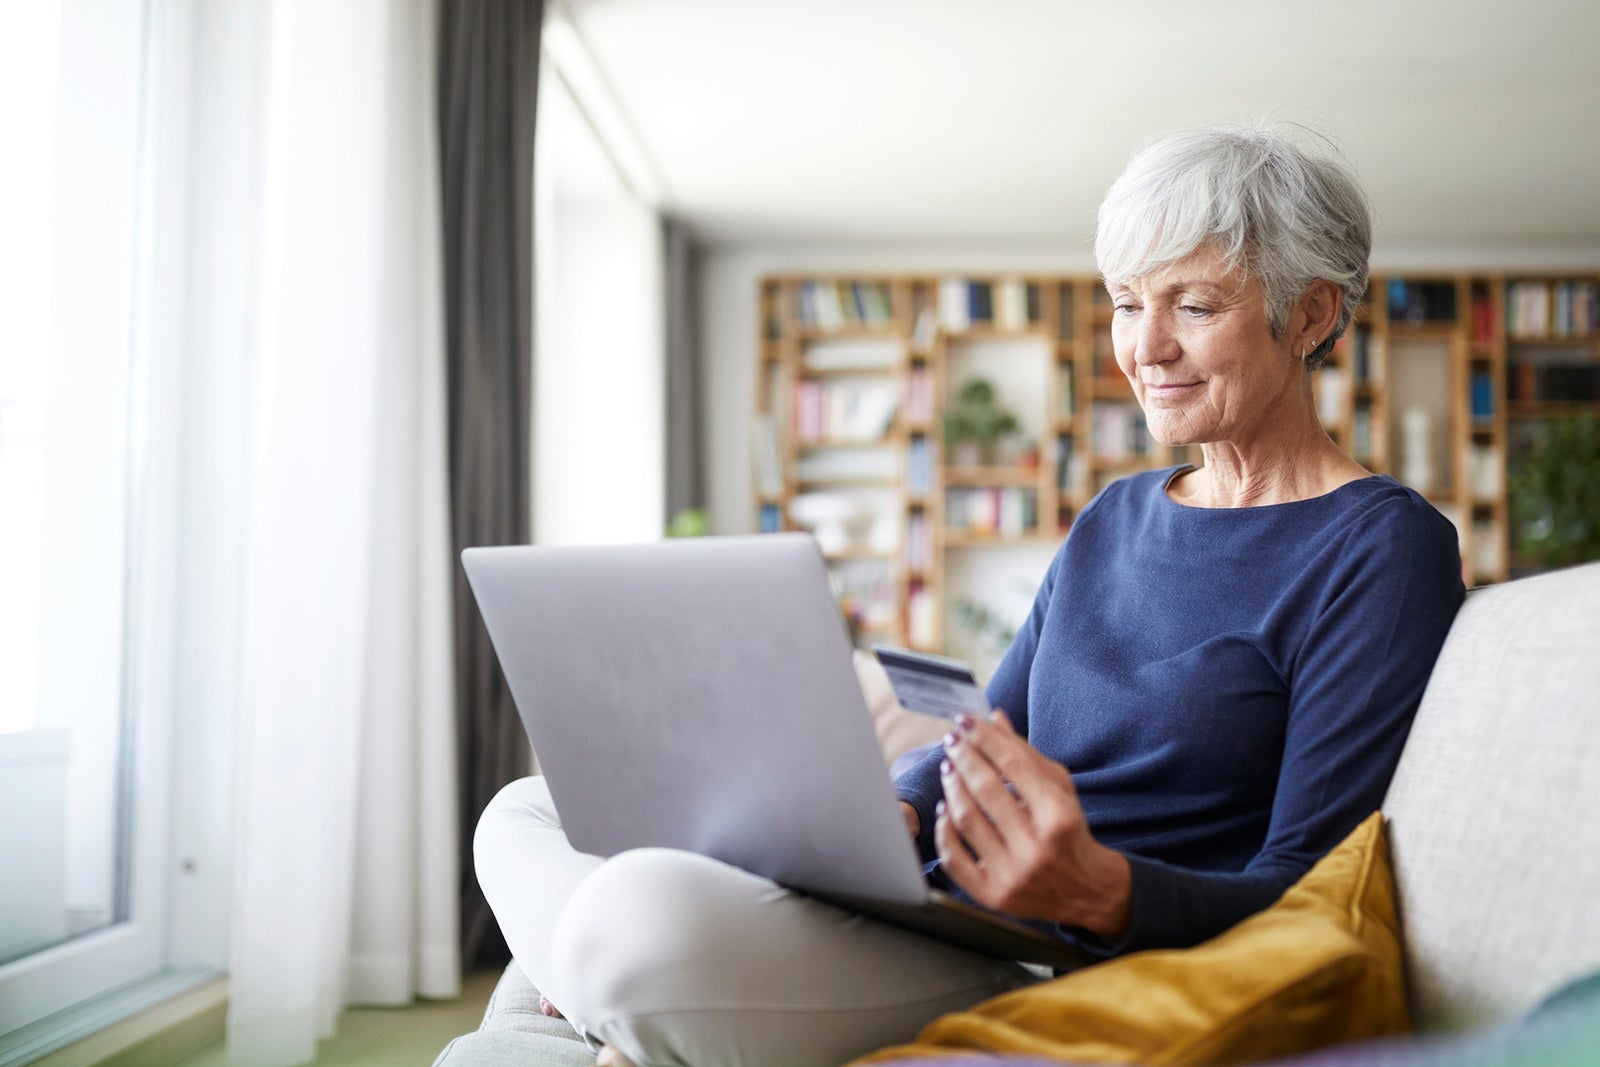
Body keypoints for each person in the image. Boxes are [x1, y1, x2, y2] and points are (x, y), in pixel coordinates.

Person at [474, 124, 1465, 1067]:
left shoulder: (1380, 549)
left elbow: (1308, 899)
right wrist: (885, 815)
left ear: (1313, 314)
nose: (1146, 347)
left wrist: (1100, 889)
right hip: (930, 900)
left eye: (1194, 306)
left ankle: (623, 999)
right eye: (1127, 301)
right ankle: (642, 1008)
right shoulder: (1114, 516)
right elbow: (980, 733)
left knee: (630, 919)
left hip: (1054, 955)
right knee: (524, 812)